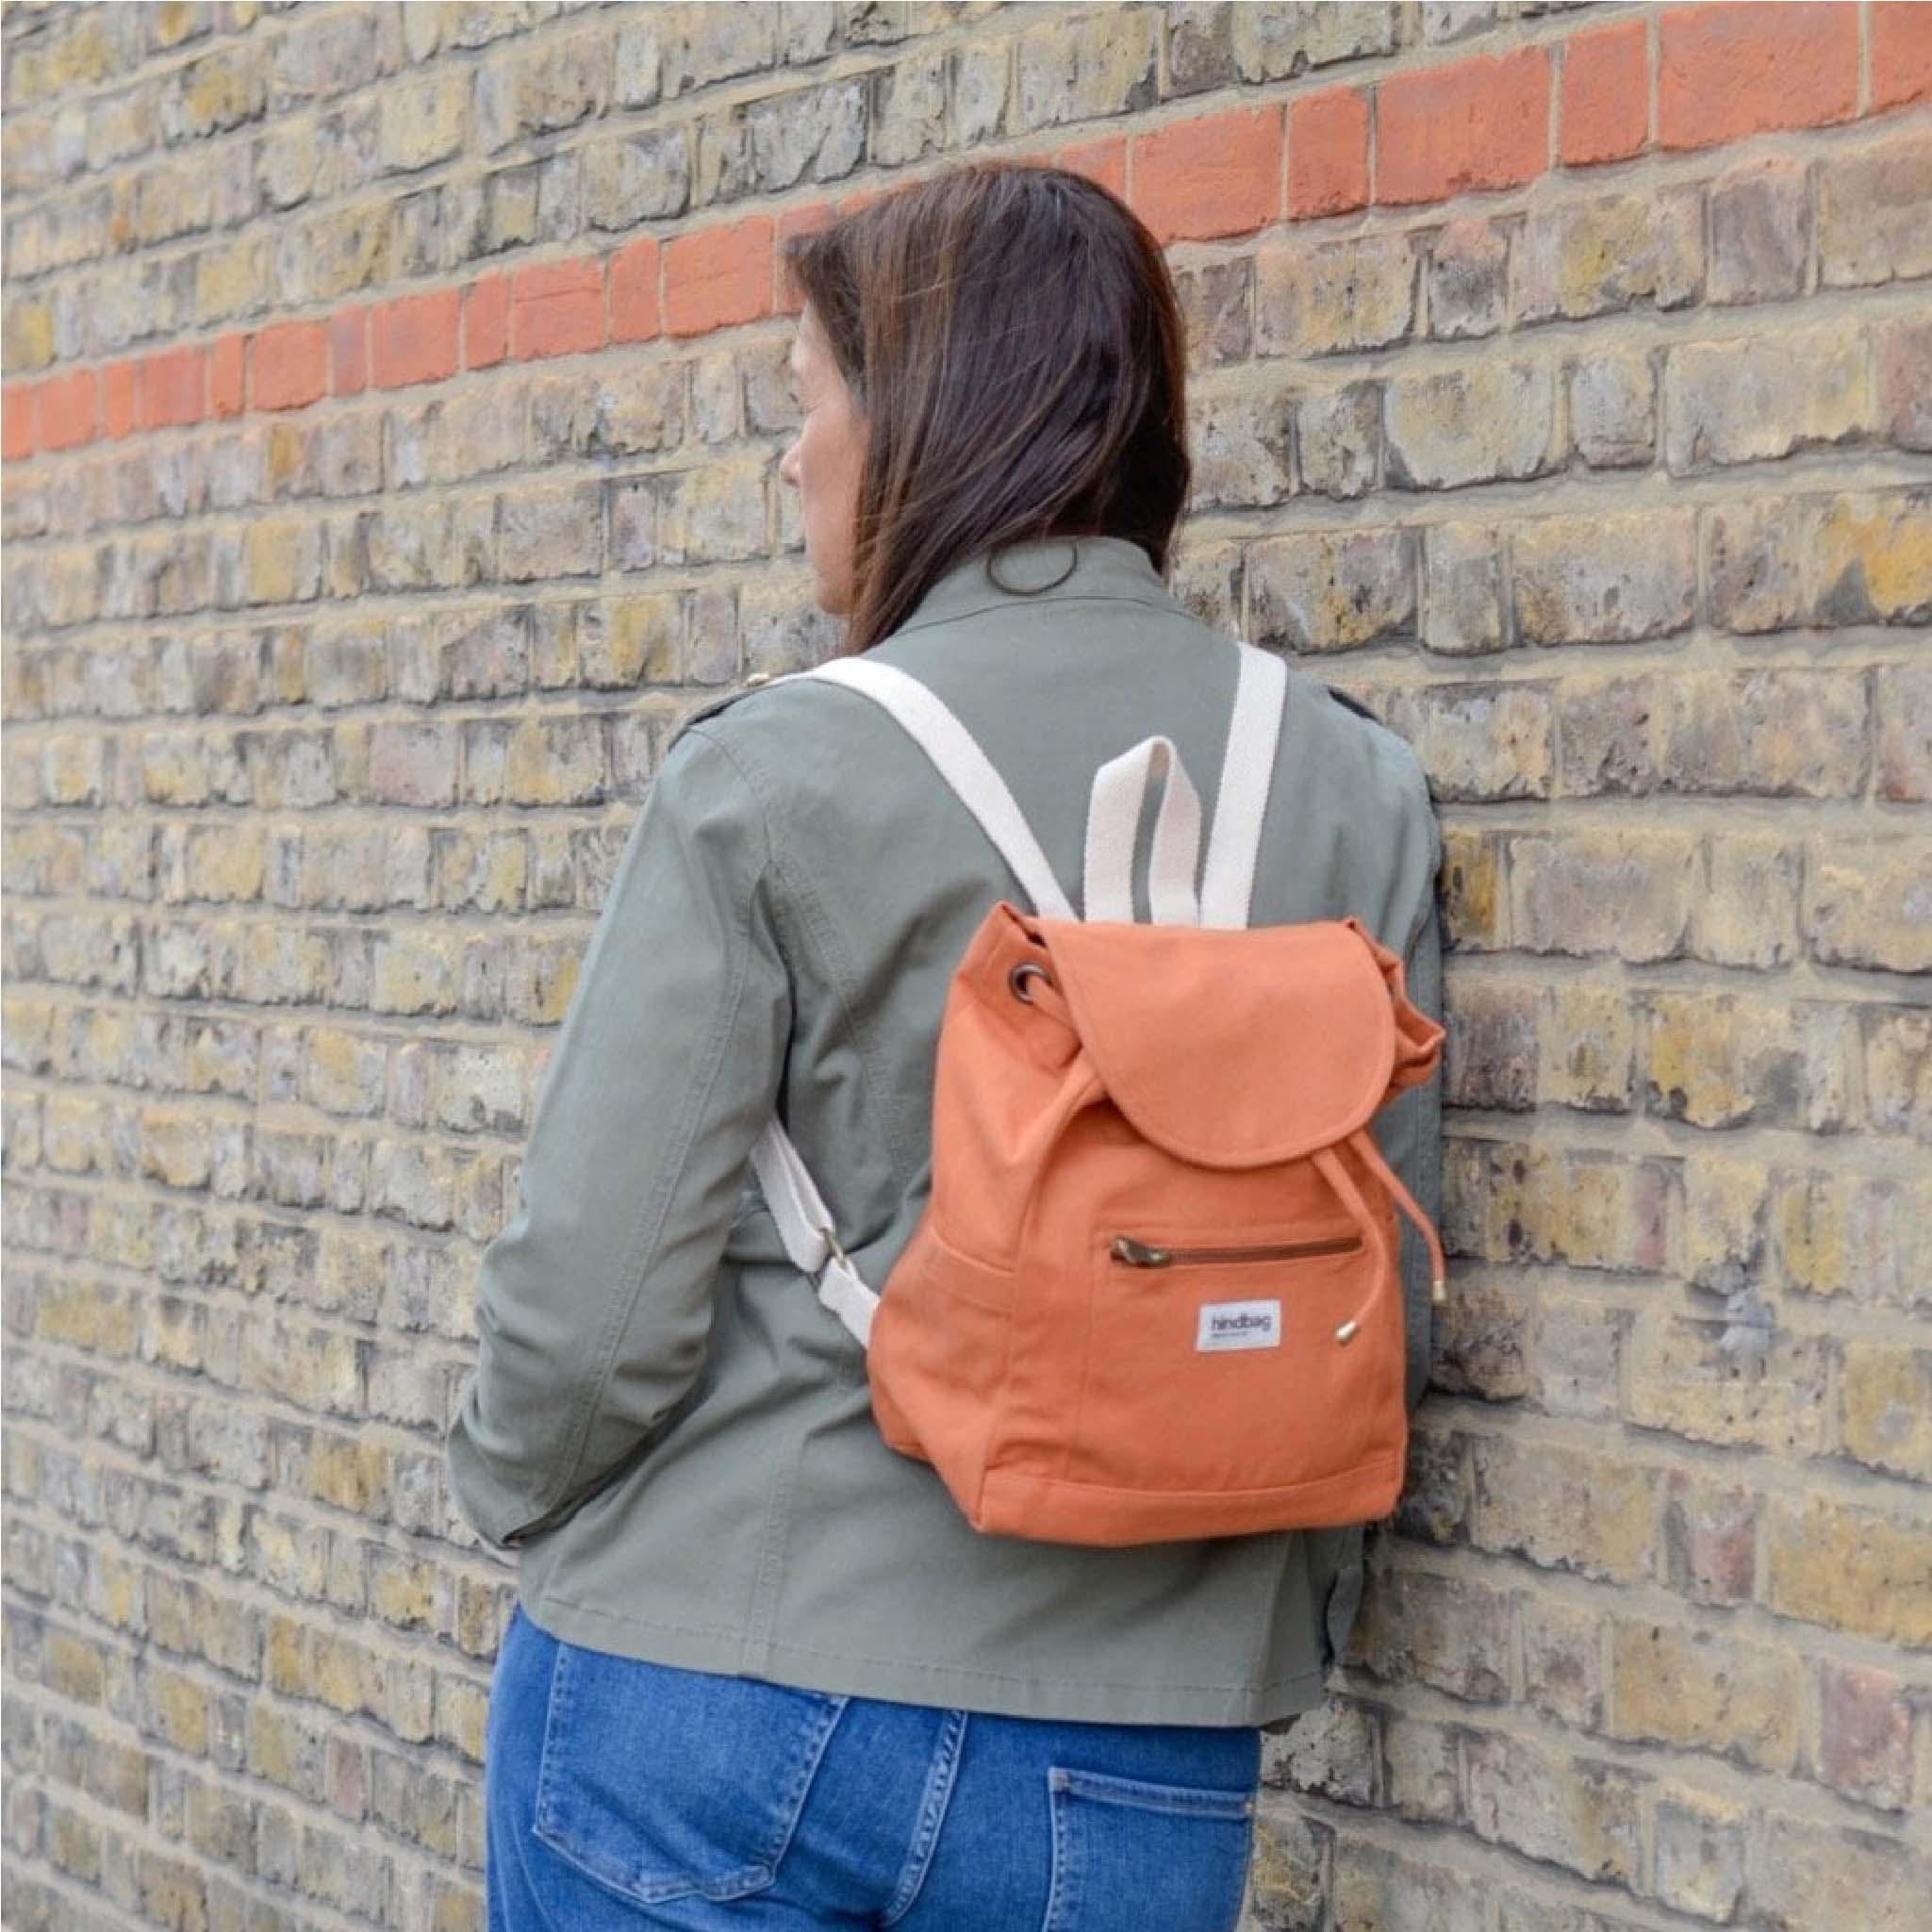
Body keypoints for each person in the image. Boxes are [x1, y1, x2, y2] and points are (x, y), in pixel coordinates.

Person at [448, 158, 1444, 1932]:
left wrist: (517, 1499)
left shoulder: (768, 772)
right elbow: (1382, 1294)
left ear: (922, 417)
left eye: (808, 397)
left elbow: (594, 1307)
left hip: (719, 1676)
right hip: (1145, 1741)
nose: (791, 454)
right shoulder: (1353, 787)